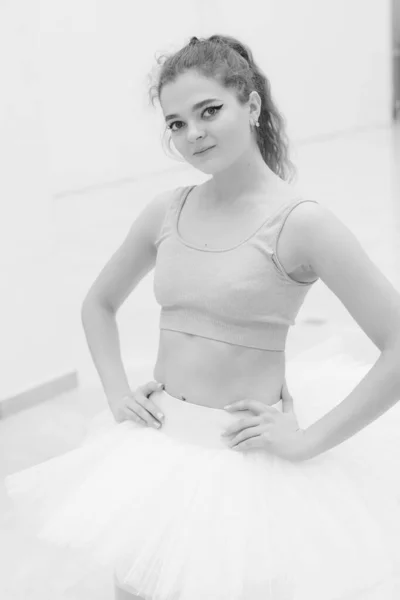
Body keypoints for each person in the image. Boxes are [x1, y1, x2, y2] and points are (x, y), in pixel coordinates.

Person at [4, 34, 400, 600]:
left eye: (209, 111)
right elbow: (98, 303)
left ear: (252, 105)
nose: (193, 134)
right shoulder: (167, 210)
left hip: (242, 463)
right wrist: (118, 394)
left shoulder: (303, 223)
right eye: (176, 123)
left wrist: (308, 441)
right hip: (158, 448)